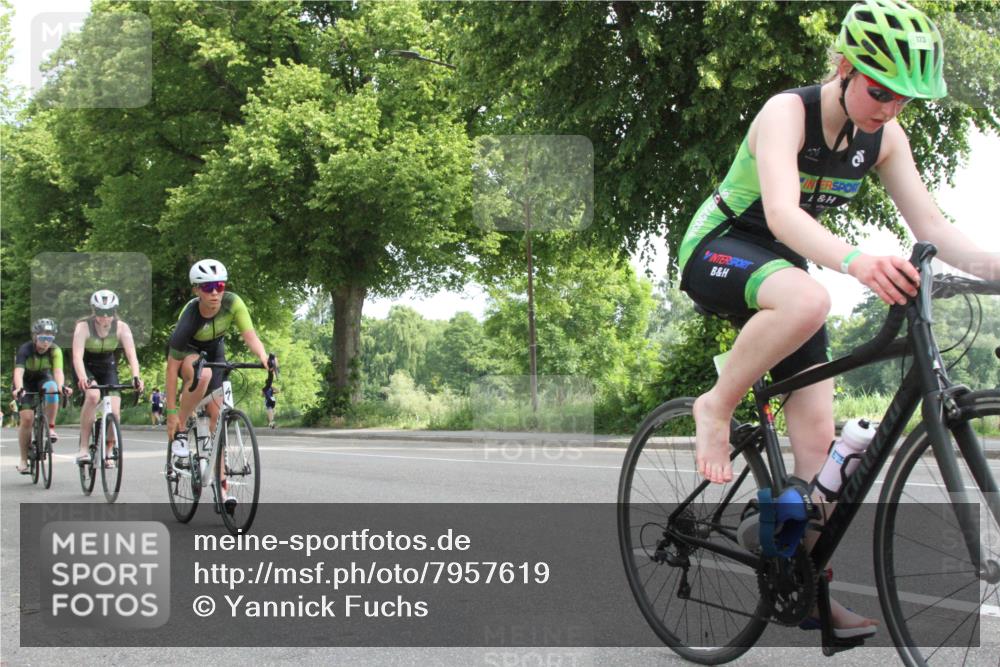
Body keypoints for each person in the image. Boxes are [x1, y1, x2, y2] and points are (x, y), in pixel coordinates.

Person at [677, 0, 1000, 637]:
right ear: (846, 68)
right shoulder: (786, 112)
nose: (889, 108)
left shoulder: (885, 137)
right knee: (809, 296)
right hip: (722, 246)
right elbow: (781, 217)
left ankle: (799, 585)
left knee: (820, 456)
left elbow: (934, 228)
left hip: (788, 273)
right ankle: (715, 406)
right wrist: (857, 262)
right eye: (880, 90)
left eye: (904, 99)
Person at [165, 259, 276, 511]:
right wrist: (172, 415)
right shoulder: (190, 317)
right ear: (196, 290)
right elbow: (171, 369)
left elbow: (250, 336)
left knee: (219, 415)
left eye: (219, 285)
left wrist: (262, 357)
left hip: (215, 351)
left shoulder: (233, 303)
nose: (214, 292)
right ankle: (183, 427)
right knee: (202, 376)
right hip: (188, 353)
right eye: (207, 287)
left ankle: (221, 490)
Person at [72, 290, 144, 465]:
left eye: (109, 313)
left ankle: (109, 447)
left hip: (107, 366)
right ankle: (83, 448)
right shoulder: (83, 327)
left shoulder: (122, 327)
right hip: (87, 366)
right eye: (100, 313)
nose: (105, 318)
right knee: (93, 396)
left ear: (115, 311)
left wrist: (136, 376)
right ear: (93, 311)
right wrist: (82, 377)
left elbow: (132, 356)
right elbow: (77, 357)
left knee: (115, 410)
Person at [11, 319, 72, 473]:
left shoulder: (55, 350)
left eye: (50, 339)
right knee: (27, 419)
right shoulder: (25, 349)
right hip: (25, 382)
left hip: (44, 379)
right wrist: (19, 388)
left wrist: (61, 387)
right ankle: (23, 460)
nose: (46, 343)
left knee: (52, 388)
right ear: (35, 336)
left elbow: (58, 372)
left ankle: (50, 427)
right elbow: (18, 372)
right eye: (43, 338)